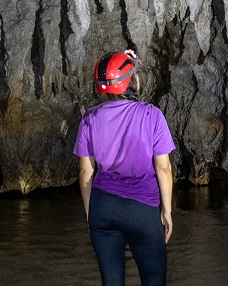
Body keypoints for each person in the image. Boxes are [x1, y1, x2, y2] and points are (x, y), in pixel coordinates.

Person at [74, 49, 175, 286]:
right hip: (141, 209)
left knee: (111, 282)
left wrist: (91, 212)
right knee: (153, 280)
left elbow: (85, 172)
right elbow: (164, 168)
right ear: (129, 81)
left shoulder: (89, 118)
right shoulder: (151, 115)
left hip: (103, 205)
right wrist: (167, 211)